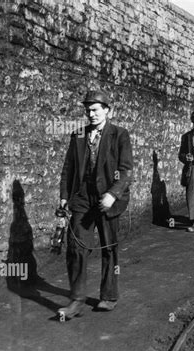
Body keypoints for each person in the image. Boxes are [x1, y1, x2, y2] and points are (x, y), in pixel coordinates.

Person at [58, 90, 134, 318]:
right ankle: (76, 300)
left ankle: (108, 296)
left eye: (95, 110)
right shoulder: (78, 136)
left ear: (107, 110)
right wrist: (63, 196)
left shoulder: (119, 135)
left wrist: (113, 193)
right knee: (76, 249)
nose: (90, 114)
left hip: (107, 200)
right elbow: (68, 169)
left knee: (109, 248)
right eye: (88, 110)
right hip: (82, 199)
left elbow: (126, 170)